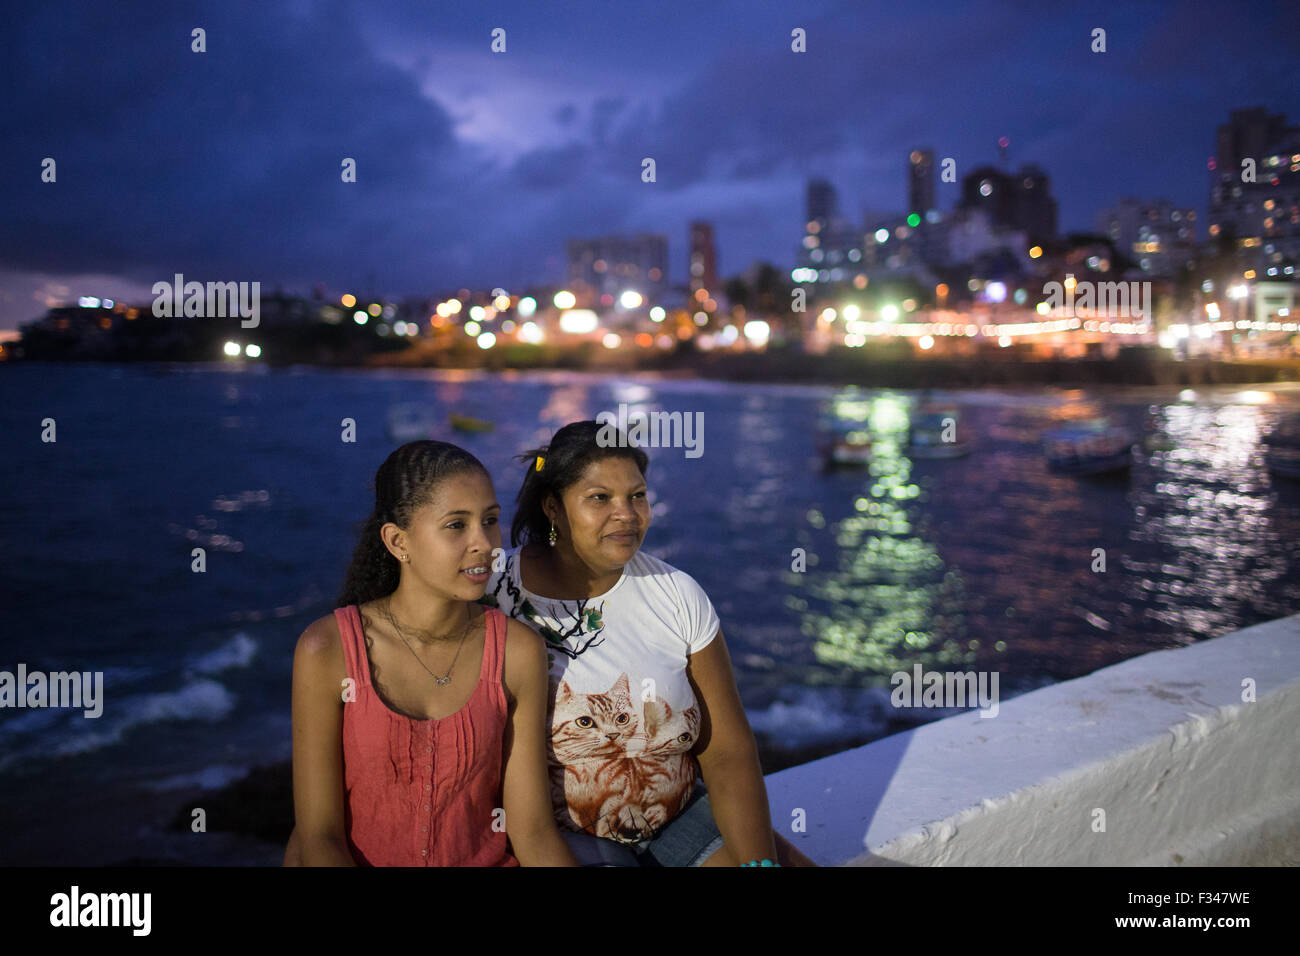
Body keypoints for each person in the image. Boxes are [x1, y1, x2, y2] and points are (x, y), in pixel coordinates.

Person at [481, 420, 816, 867]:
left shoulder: (676, 593)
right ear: (553, 508)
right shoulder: (493, 589)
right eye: (600, 498)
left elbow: (727, 752)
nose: (627, 513)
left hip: (675, 817)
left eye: (637, 496)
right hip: (558, 831)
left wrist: (760, 862)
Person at [288, 440, 577, 866]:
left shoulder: (517, 652)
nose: (484, 543)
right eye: (456, 525)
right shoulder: (327, 651)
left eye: (491, 521)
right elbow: (320, 838)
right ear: (398, 541)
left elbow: (531, 830)